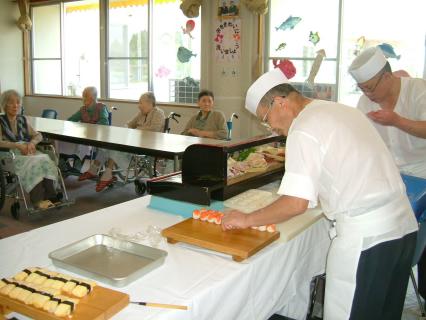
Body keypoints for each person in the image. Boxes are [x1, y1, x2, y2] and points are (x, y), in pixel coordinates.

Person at [221, 67, 418, 319]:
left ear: (279, 102)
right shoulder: (340, 109)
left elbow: (295, 204)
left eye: (265, 117)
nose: (270, 127)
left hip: (367, 239)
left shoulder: (303, 128)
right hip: (403, 229)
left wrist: (246, 219)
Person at [349, 46, 426, 306]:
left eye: (370, 88)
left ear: (386, 76)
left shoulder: (417, 90)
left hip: (423, 175)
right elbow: (360, 141)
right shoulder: (364, 102)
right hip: (389, 179)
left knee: (411, 242)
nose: (367, 94)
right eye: (362, 89)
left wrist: (397, 121)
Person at [78, 92, 165, 192]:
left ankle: (107, 175)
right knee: (108, 145)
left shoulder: (158, 113)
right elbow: (129, 124)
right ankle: (95, 170)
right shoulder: (141, 114)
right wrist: (125, 130)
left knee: (116, 148)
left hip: (147, 145)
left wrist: (135, 130)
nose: (138, 106)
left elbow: (154, 129)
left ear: (149, 103)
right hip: (135, 141)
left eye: (141, 103)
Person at [0, 90, 59, 209]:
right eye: (11, 103)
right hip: (9, 155)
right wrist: (17, 145)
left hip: (26, 151)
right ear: (5, 105)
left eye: (17, 103)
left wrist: (32, 142)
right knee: (34, 163)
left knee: (45, 159)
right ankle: (37, 201)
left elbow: (39, 135)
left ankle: (51, 195)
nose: (15, 106)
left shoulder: (22, 120)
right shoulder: (1, 121)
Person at [58, 86, 109, 174]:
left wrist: (91, 128)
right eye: (83, 97)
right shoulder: (83, 110)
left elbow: (105, 123)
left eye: (85, 97)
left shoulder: (101, 108)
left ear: (92, 99)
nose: (83, 99)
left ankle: (78, 164)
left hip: (95, 137)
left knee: (83, 142)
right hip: (83, 135)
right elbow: (71, 120)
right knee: (62, 139)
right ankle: (63, 162)